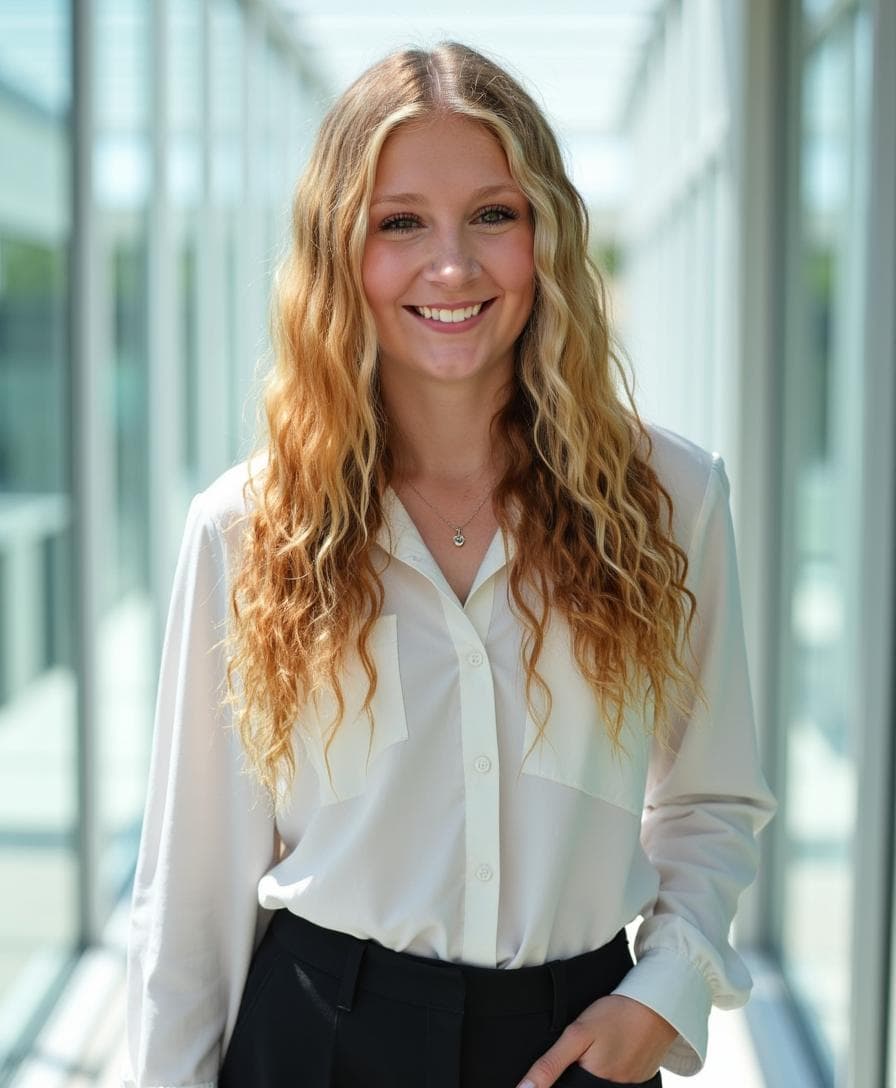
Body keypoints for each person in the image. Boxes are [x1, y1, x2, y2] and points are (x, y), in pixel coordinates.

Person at [121, 41, 777, 1088]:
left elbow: (711, 798)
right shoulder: (246, 528)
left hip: (575, 1046)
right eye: (400, 223)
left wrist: (663, 990)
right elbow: (192, 890)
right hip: (315, 1042)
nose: (452, 267)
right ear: (341, 252)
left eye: (492, 215)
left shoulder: (672, 497)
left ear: (545, 235)